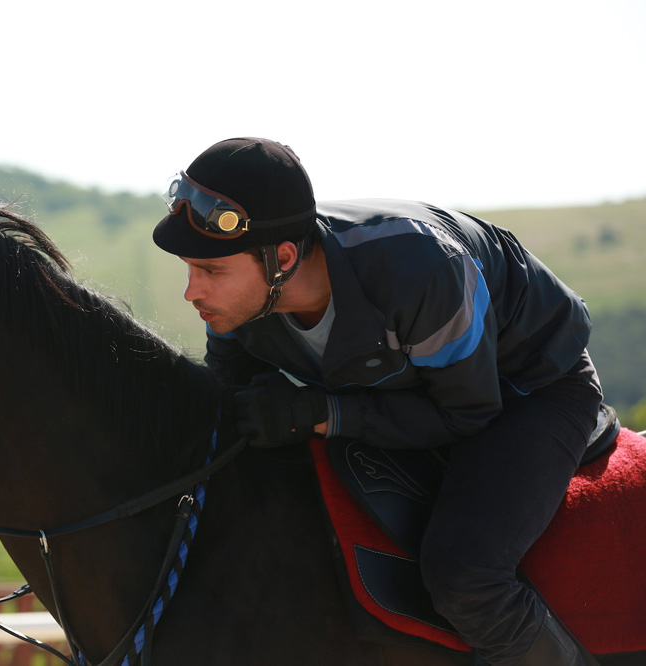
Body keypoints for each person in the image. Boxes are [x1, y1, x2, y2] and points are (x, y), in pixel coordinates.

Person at [152, 137, 604, 665]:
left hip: (528, 387)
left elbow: (467, 414)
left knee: (465, 575)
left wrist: (324, 414)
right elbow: (233, 395)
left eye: (211, 271)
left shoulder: (421, 272)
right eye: (191, 268)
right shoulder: (238, 309)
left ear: (283, 257)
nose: (192, 292)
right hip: (409, 386)